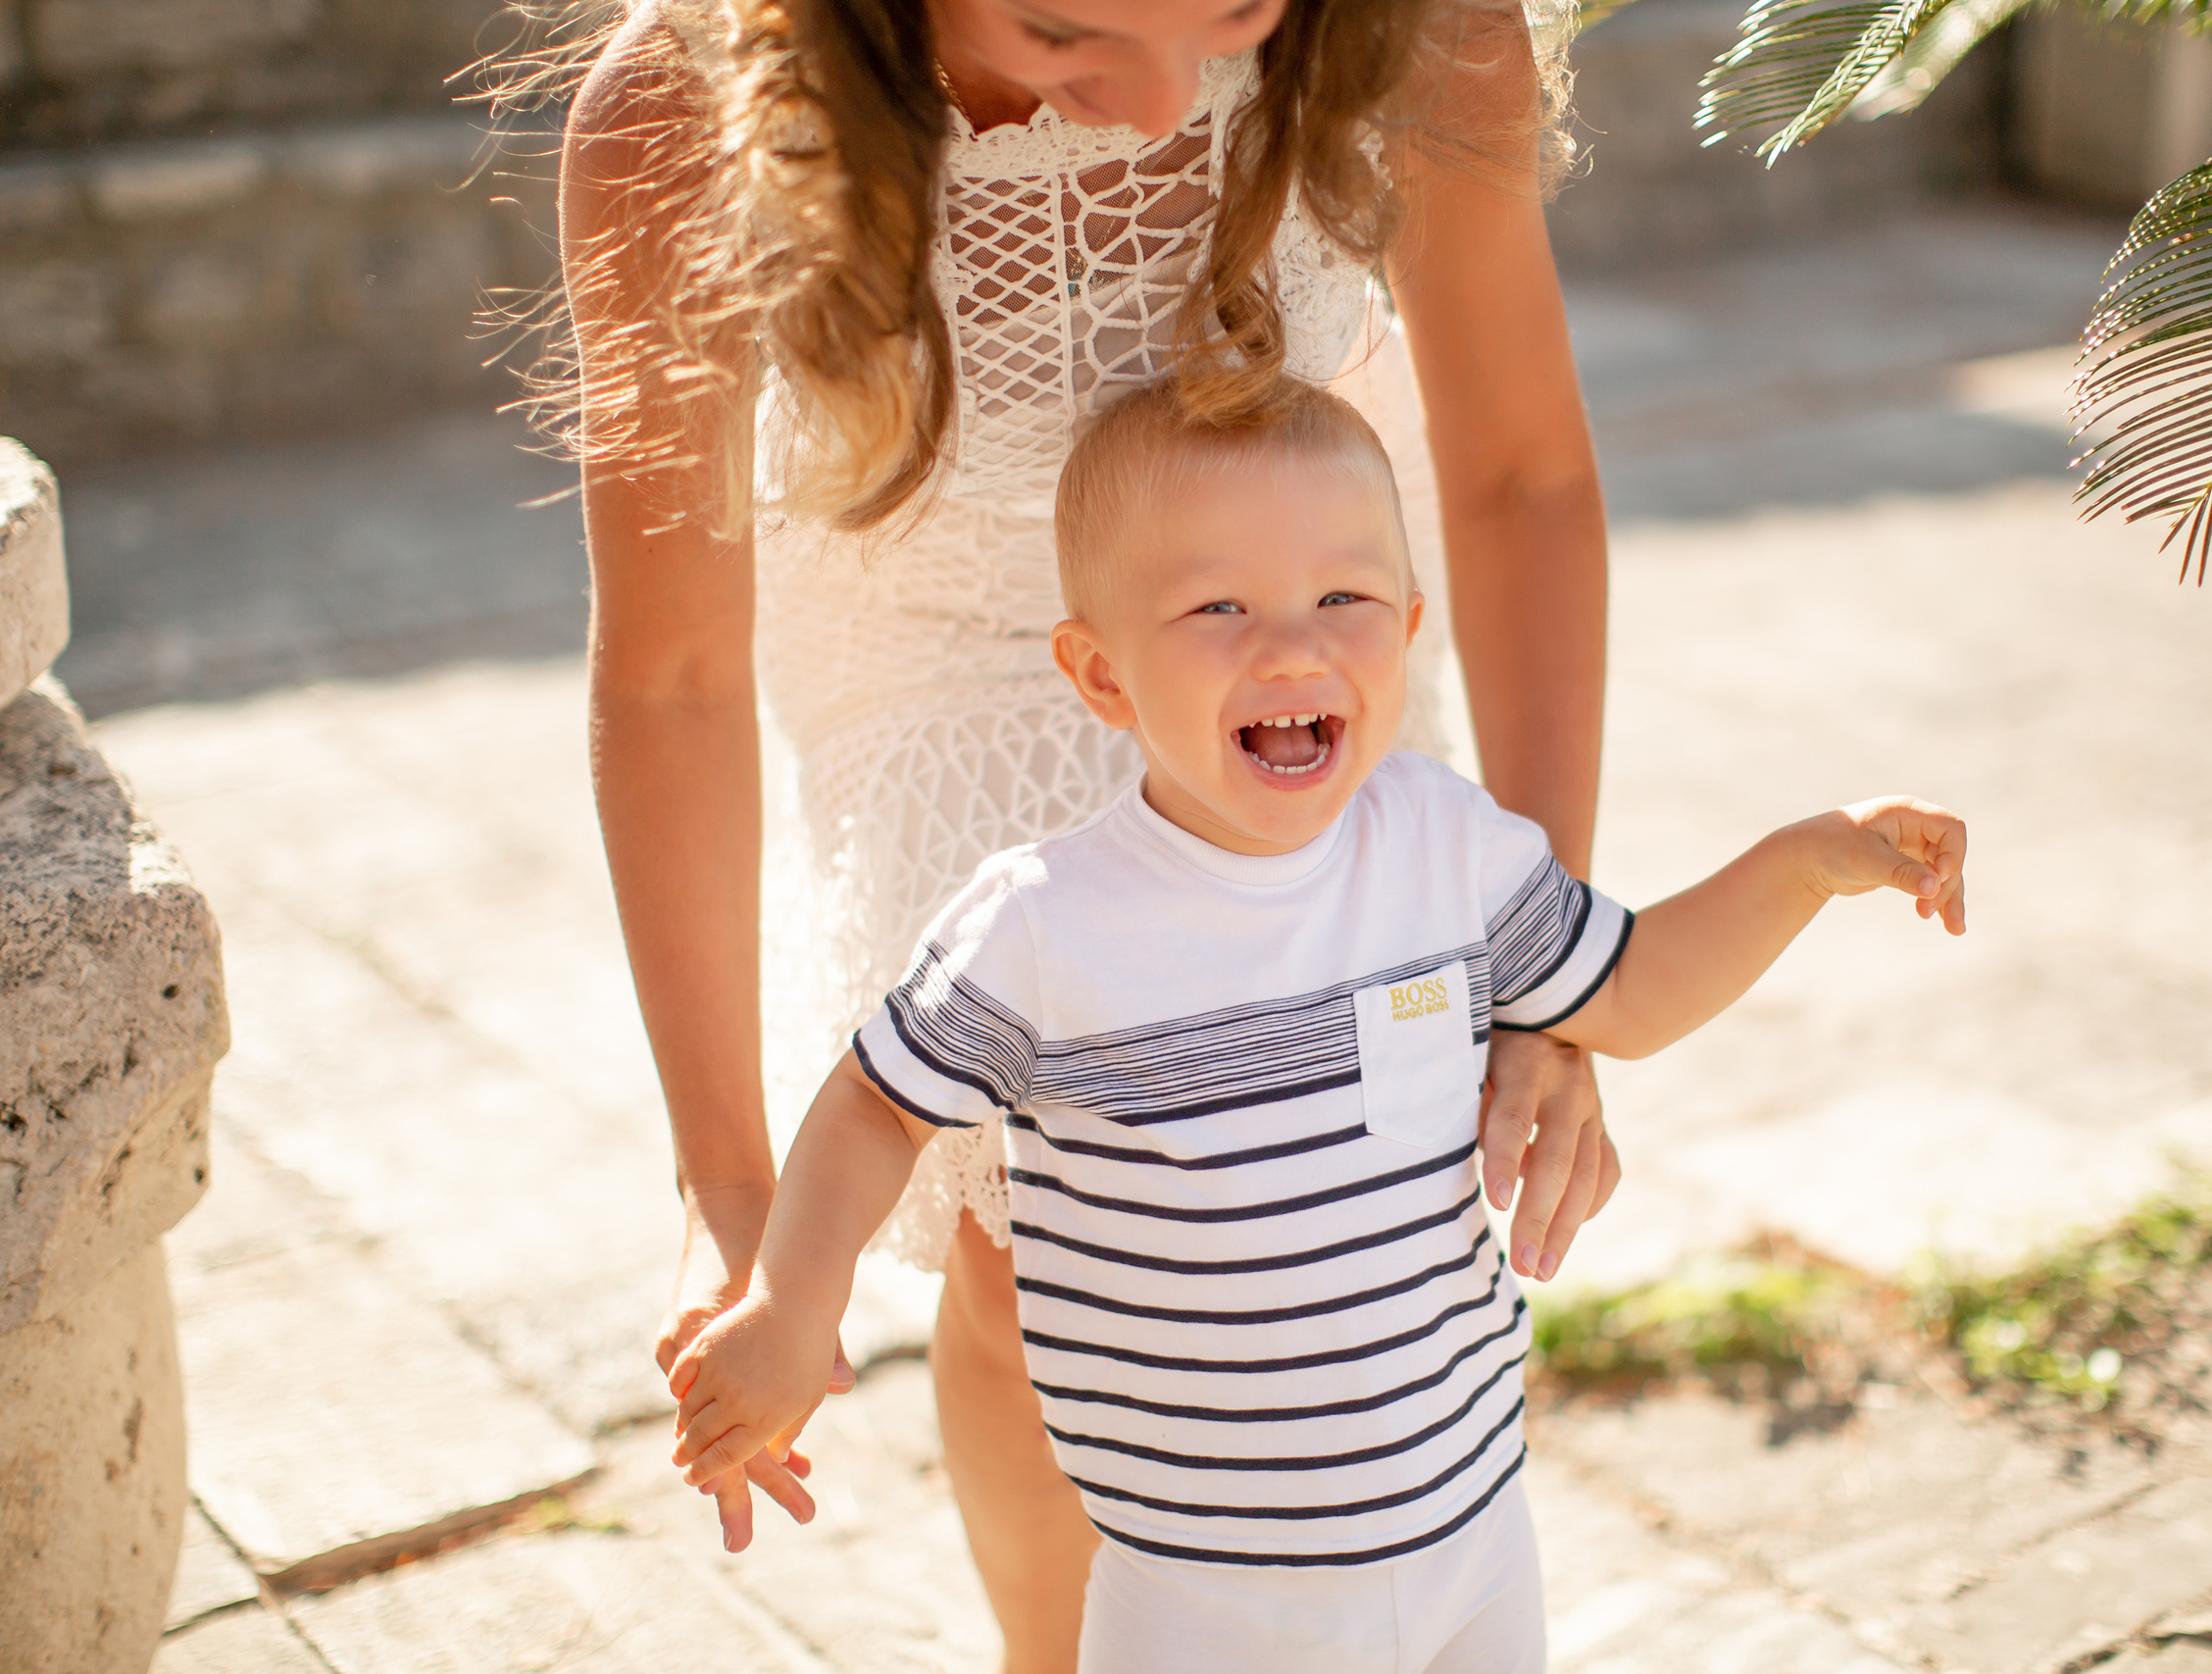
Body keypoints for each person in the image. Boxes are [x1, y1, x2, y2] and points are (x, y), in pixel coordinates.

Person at [549, 0, 1620, 1663]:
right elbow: (676, 672)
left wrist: (1551, 977)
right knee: (1034, 1234)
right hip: (940, 656)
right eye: (1062, 29)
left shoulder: (1410, 25)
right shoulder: (676, 113)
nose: (1153, 102)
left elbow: (1523, 481)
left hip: (1283, 625)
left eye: (1237, 15)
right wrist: (730, 1183)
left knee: (1311, 1198)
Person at [663, 379, 1969, 1673]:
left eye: (1343, 599)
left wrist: (1810, 861)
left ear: (1406, 629)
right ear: (1101, 673)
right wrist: (789, 1296)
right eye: (1218, 606)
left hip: (1470, 1534)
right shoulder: (1043, 928)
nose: (1291, 648)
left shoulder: (1449, 851)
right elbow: (880, 1102)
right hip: (1205, 1595)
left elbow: (1630, 991)